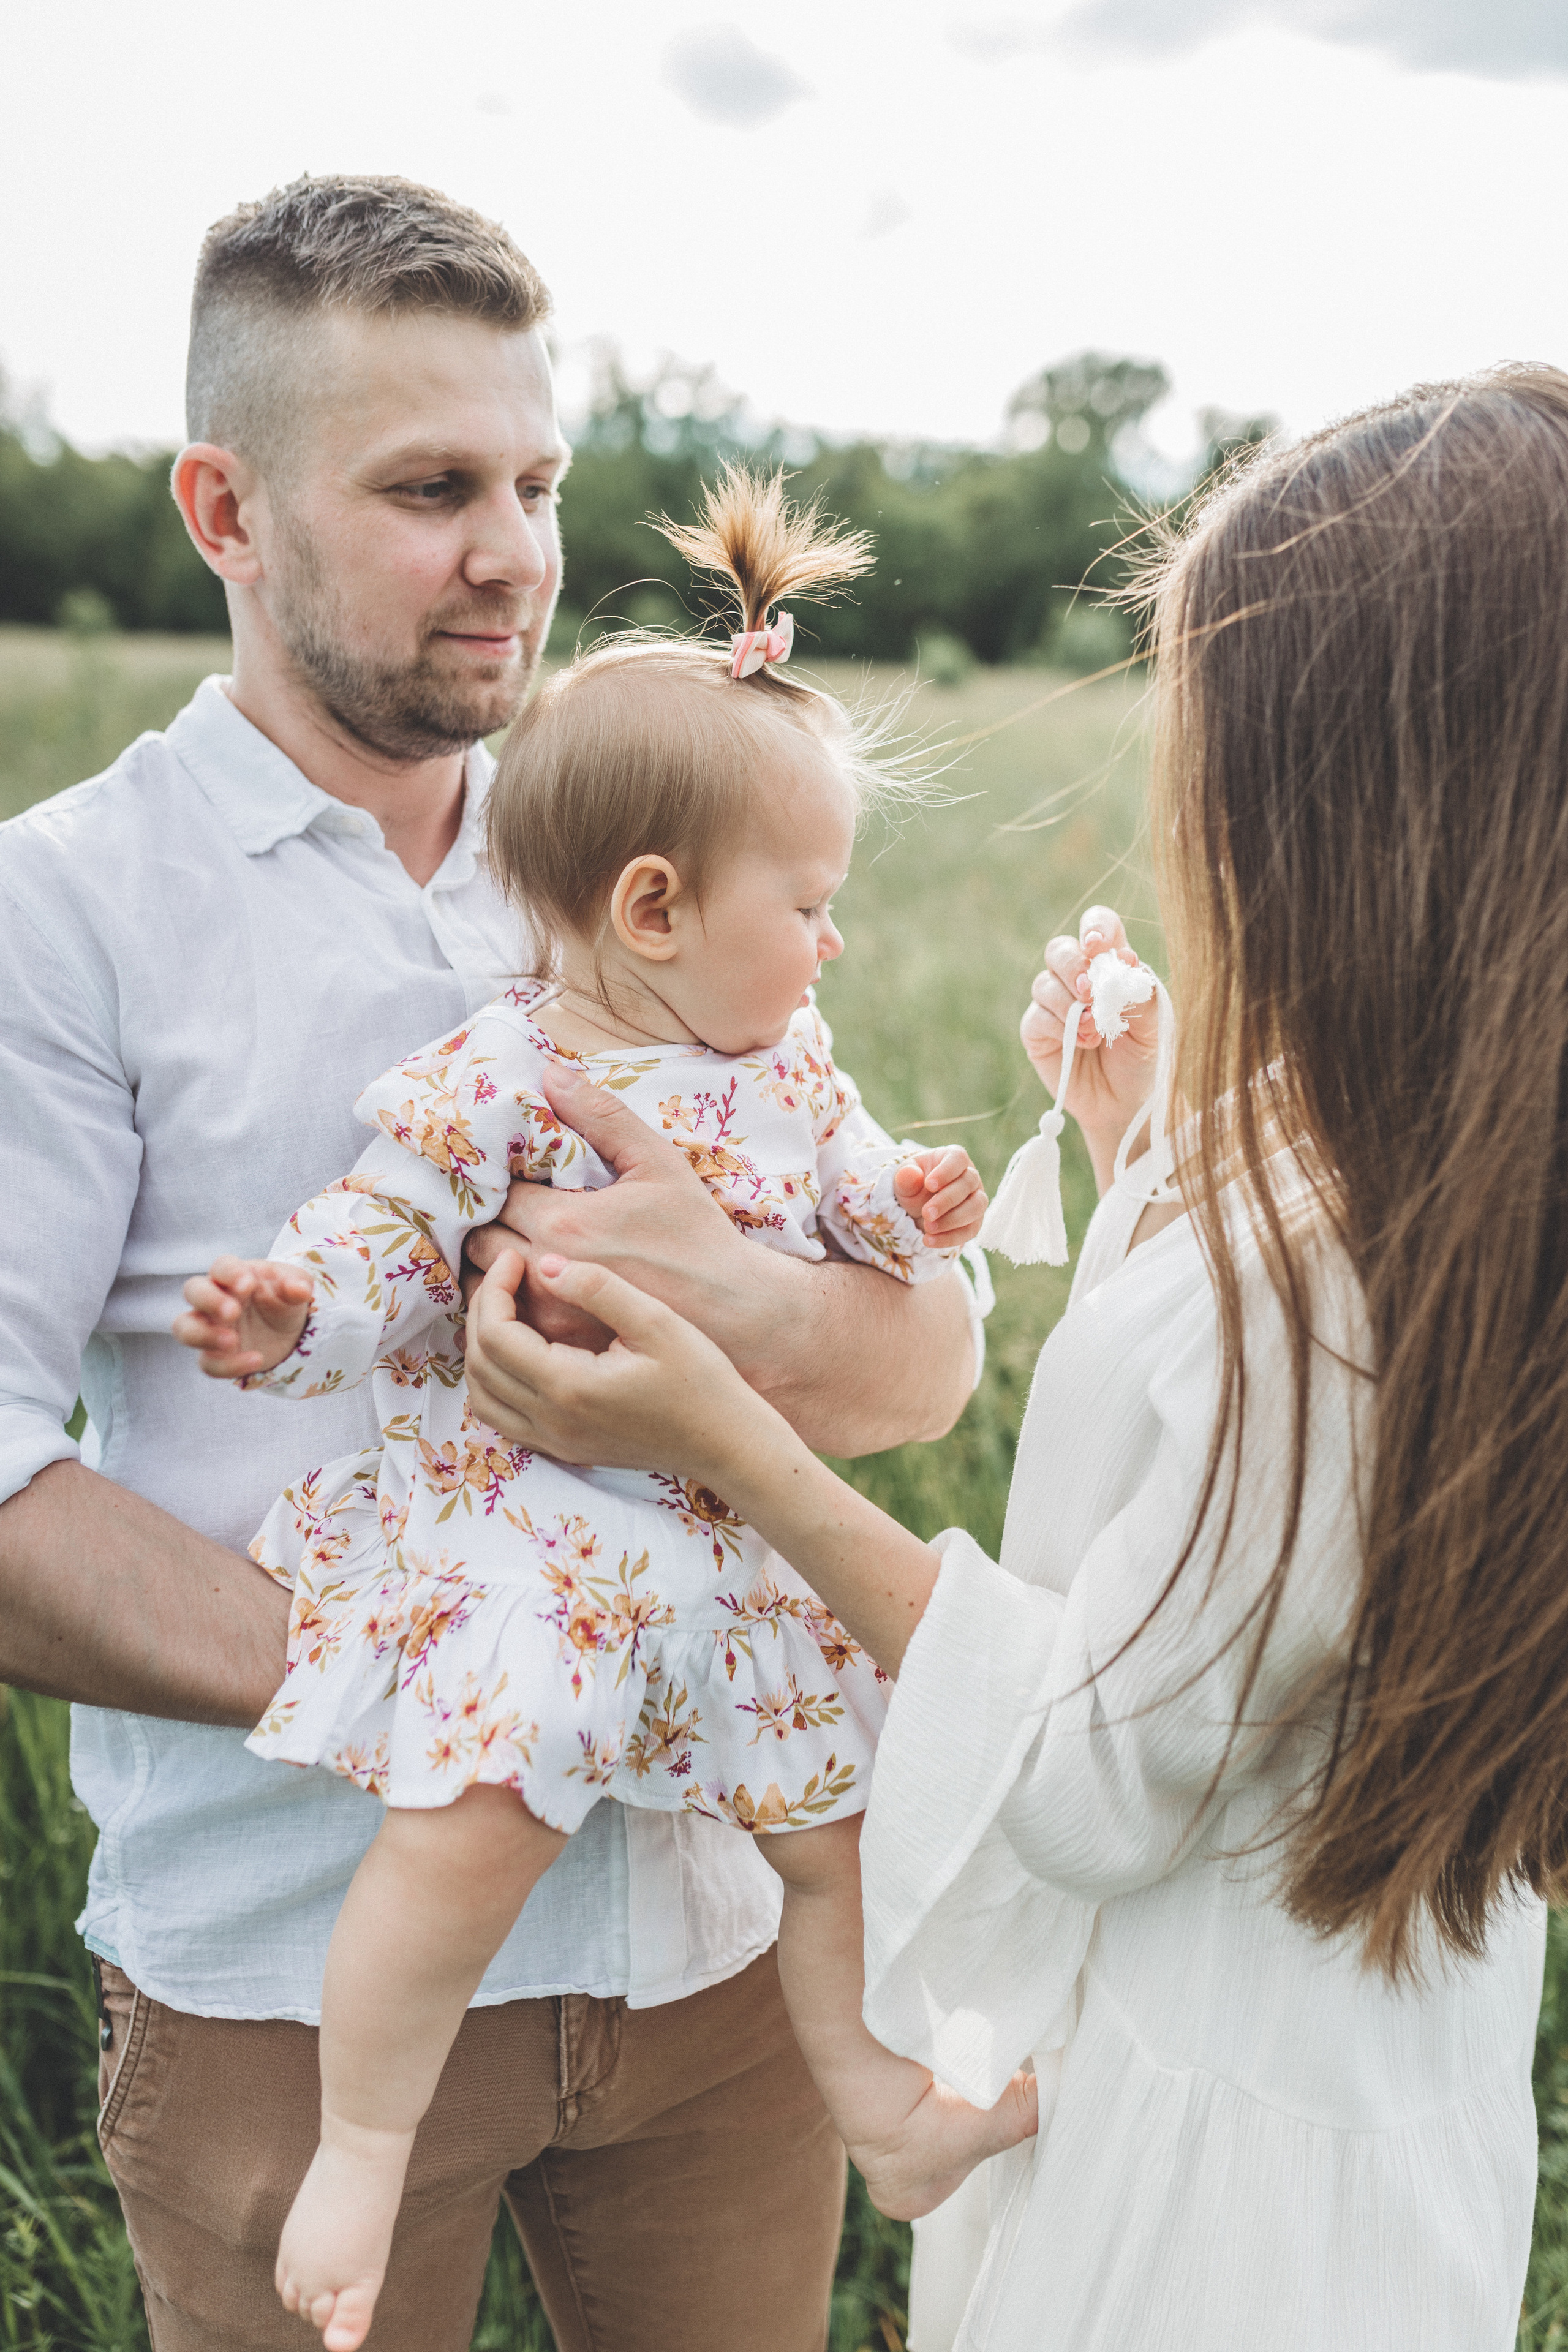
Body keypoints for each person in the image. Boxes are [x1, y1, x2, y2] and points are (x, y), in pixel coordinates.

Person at [451, 368, 1564, 2349]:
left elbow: (1083, 1774)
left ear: (1363, 804)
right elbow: (1262, 1515)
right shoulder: (1419, 1150)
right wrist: (1151, 1143)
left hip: (1222, 2209)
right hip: (1292, 2085)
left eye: (1207, 742)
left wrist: (736, 1442)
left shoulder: (1348, 1272)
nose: (1182, 798)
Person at [0, 177, 987, 2352]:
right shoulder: (61, 914)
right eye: (433, 488)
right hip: (300, 1973)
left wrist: (758, 1317)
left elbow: (923, 1364)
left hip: (725, 1954)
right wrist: (461, 1681)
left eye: (534, 481)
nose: (517, 553)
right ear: (223, 509)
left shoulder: (650, 834)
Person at [173, 467, 1028, 2349]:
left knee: (838, 1830)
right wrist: (298, 1306)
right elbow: (392, 1234)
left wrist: (912, 1207)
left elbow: (859, 1190)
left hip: (734, 1561)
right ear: (653, 904)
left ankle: (882, 2106)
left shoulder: (787, 1065)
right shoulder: (503, 1071)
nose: (834, 946)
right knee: (463, 1832)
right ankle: (367, 2138)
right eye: (807, 905)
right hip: (542, 1560)